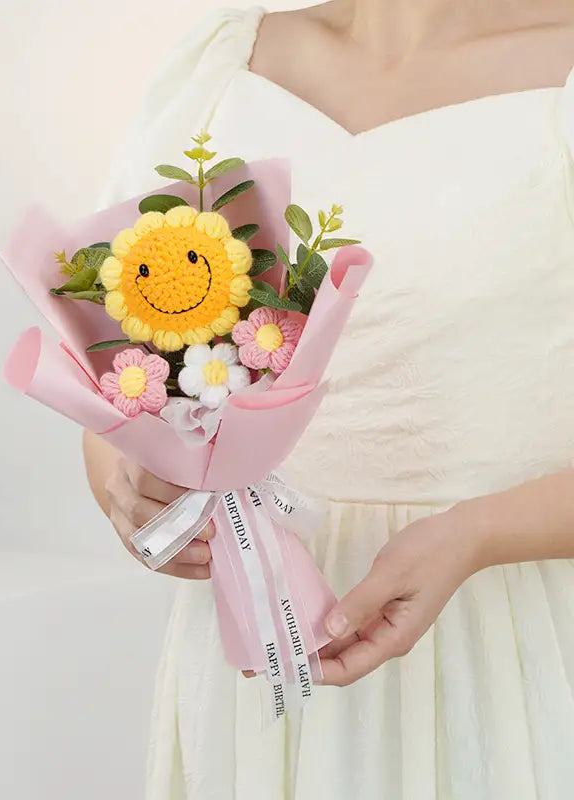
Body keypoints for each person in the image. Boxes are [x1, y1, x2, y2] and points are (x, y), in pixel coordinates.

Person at [84, 3, 574, 797]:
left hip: (498, 654)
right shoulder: (217, 68)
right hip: (246, 666)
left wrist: (479, 535)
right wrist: (129, 486)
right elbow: (117, 369)